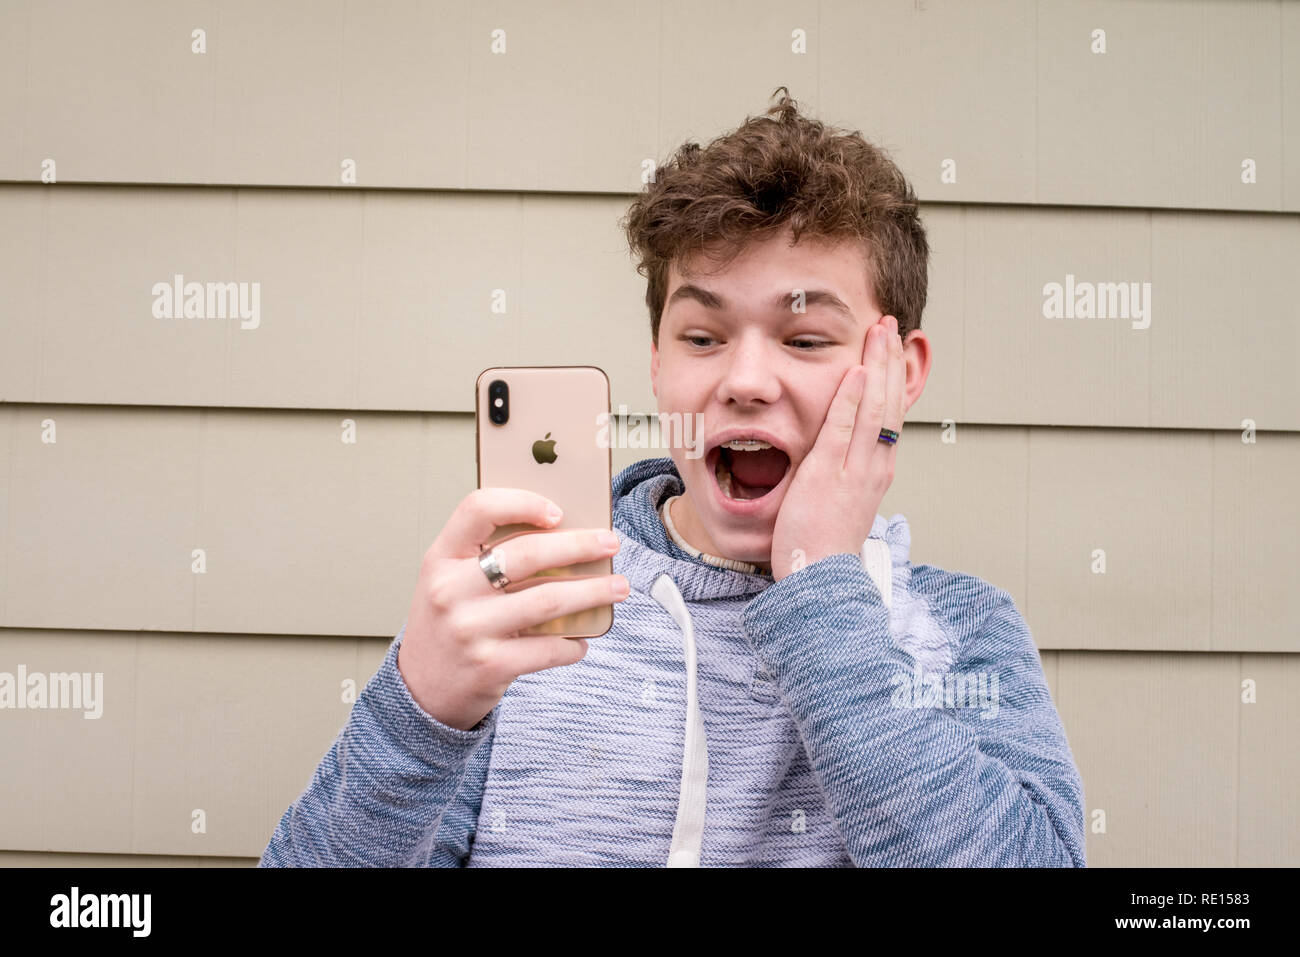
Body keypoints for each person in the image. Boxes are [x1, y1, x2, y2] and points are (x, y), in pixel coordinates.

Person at [260, 88, 1086, 867]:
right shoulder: (526, 613)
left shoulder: (961, 631)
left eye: (804, 338)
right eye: (702, 336)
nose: (746, 380)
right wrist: (421, 713)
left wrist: (822, 590)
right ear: (656, 363)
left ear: (900, 374)